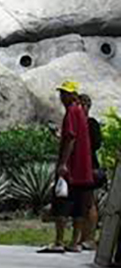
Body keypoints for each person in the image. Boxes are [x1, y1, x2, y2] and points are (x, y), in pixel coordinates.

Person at [39, 81, 94, 254]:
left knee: (62, 204)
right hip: (83, 170)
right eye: (61, 93)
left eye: (65, 94)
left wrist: (63, 163)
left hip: (71, 168)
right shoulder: (81, 113)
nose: (62, 97)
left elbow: (71, 138)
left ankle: (59, 241)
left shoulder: (71, 112)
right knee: (78, 207)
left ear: (73, 95)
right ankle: (75, 242)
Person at [80, 93, 103, 250]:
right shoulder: (77, 123)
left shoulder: (91, 123)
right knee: (82, 202)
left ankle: (90, 238)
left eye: (82, 105)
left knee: (90, 202)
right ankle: (83, 236)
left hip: (90, 166)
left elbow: (95, 144)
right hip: (80, 166)